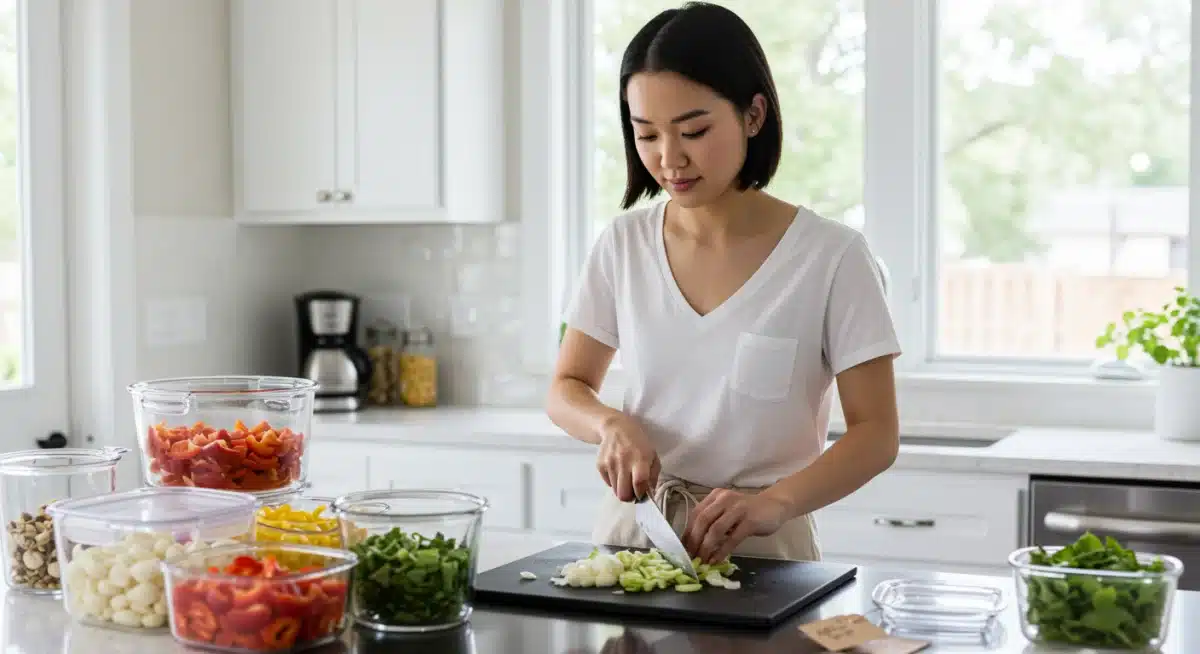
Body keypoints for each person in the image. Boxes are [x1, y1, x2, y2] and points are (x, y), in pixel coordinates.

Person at [546, 1, 901, 566]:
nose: (669, 159)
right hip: (632, 536)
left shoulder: (832, 258)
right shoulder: (623, 244)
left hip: (764, 545)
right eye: (647, 135)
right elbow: (566, 386)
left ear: (753, 115)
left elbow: (877, 434)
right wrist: (608, 424)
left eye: (694, 130)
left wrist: (776, 504)